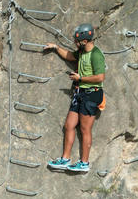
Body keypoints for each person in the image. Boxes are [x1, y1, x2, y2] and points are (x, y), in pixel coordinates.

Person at [43, 23, 105, 174]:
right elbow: (69, 56)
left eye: (77, 41)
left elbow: (100, 76)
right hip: (80, 93)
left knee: (85, 129)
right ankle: (65, 159)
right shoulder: (82, 52)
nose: (75, 43)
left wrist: (81, 77)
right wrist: (55, 47)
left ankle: (84, 163)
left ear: (84, 40)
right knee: (69, 125)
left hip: (92, 94)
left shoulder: (96, 54)